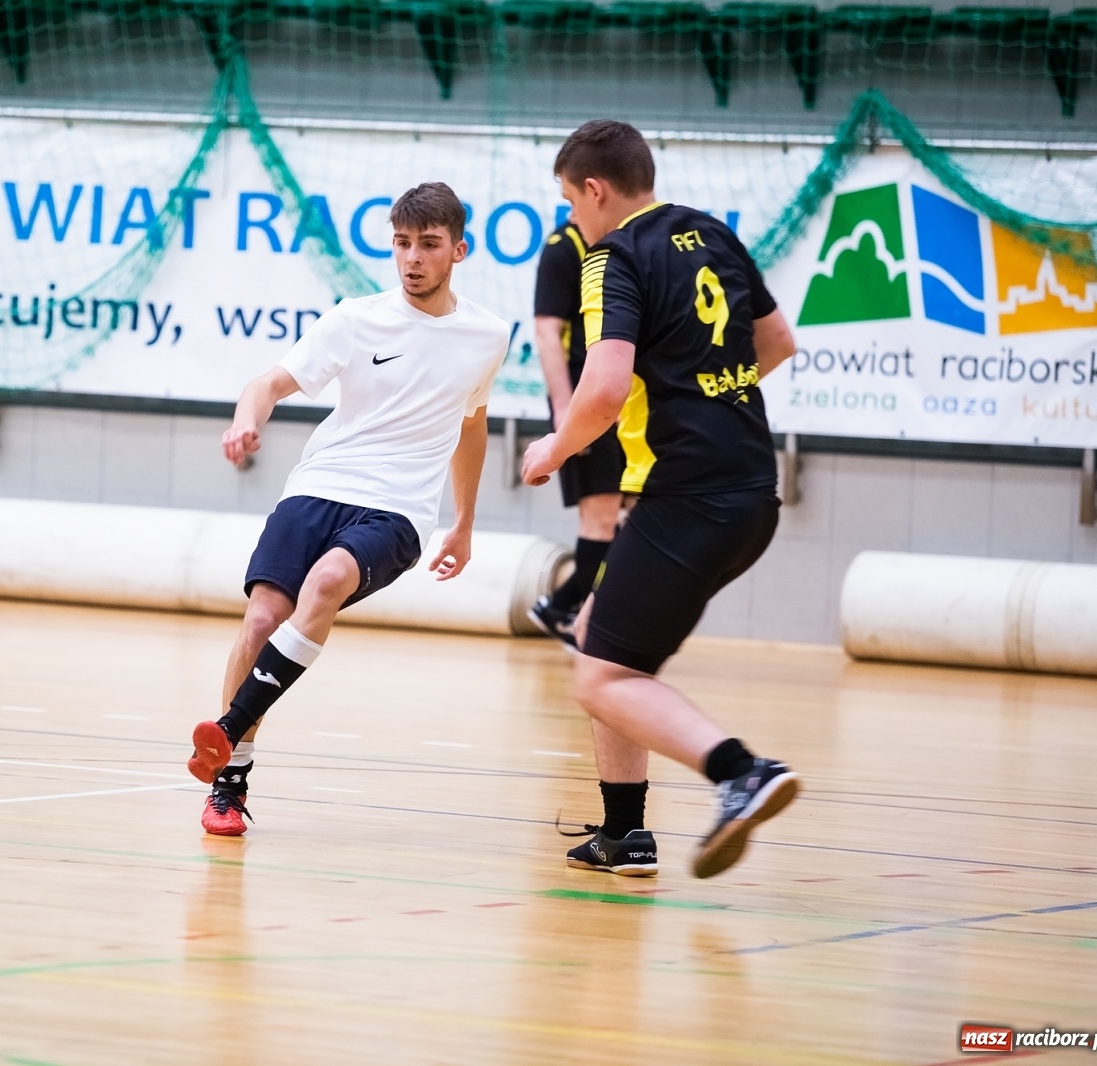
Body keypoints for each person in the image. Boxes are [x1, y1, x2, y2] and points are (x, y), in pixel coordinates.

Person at [520, 120, 801, 879]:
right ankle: (623, 834)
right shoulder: (714, 235)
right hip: (750, 491)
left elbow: (605, 388)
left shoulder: (612, 256)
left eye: (570, 203)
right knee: (596, 636)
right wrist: (706, 396)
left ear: (595, 189)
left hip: (688, 495)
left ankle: (741, 771)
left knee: (599, 674)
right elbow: (777, 343)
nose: (572, 221)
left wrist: (553, 447)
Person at [187, 182, 509, 836]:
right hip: (319, 486)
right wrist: (245, 422)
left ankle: (223, 733)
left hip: (396, 509)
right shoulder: (355, 318)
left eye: (428, 244)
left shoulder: (486, 335)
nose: (412, 258)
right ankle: (232, 775)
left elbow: (471, 426)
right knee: (261, 622)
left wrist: (465, 521)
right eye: (401, 243)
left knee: (327, 582)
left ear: (459, 250)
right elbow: (267, 383)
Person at [527, 218, 627, 649]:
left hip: (627, 406)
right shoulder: (563, 247)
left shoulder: (626, 241)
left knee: (633, 515)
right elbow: (547, 333)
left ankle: (562, 606)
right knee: (601, 517)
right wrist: (566, 412)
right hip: (589, 401)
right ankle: (580, 621)